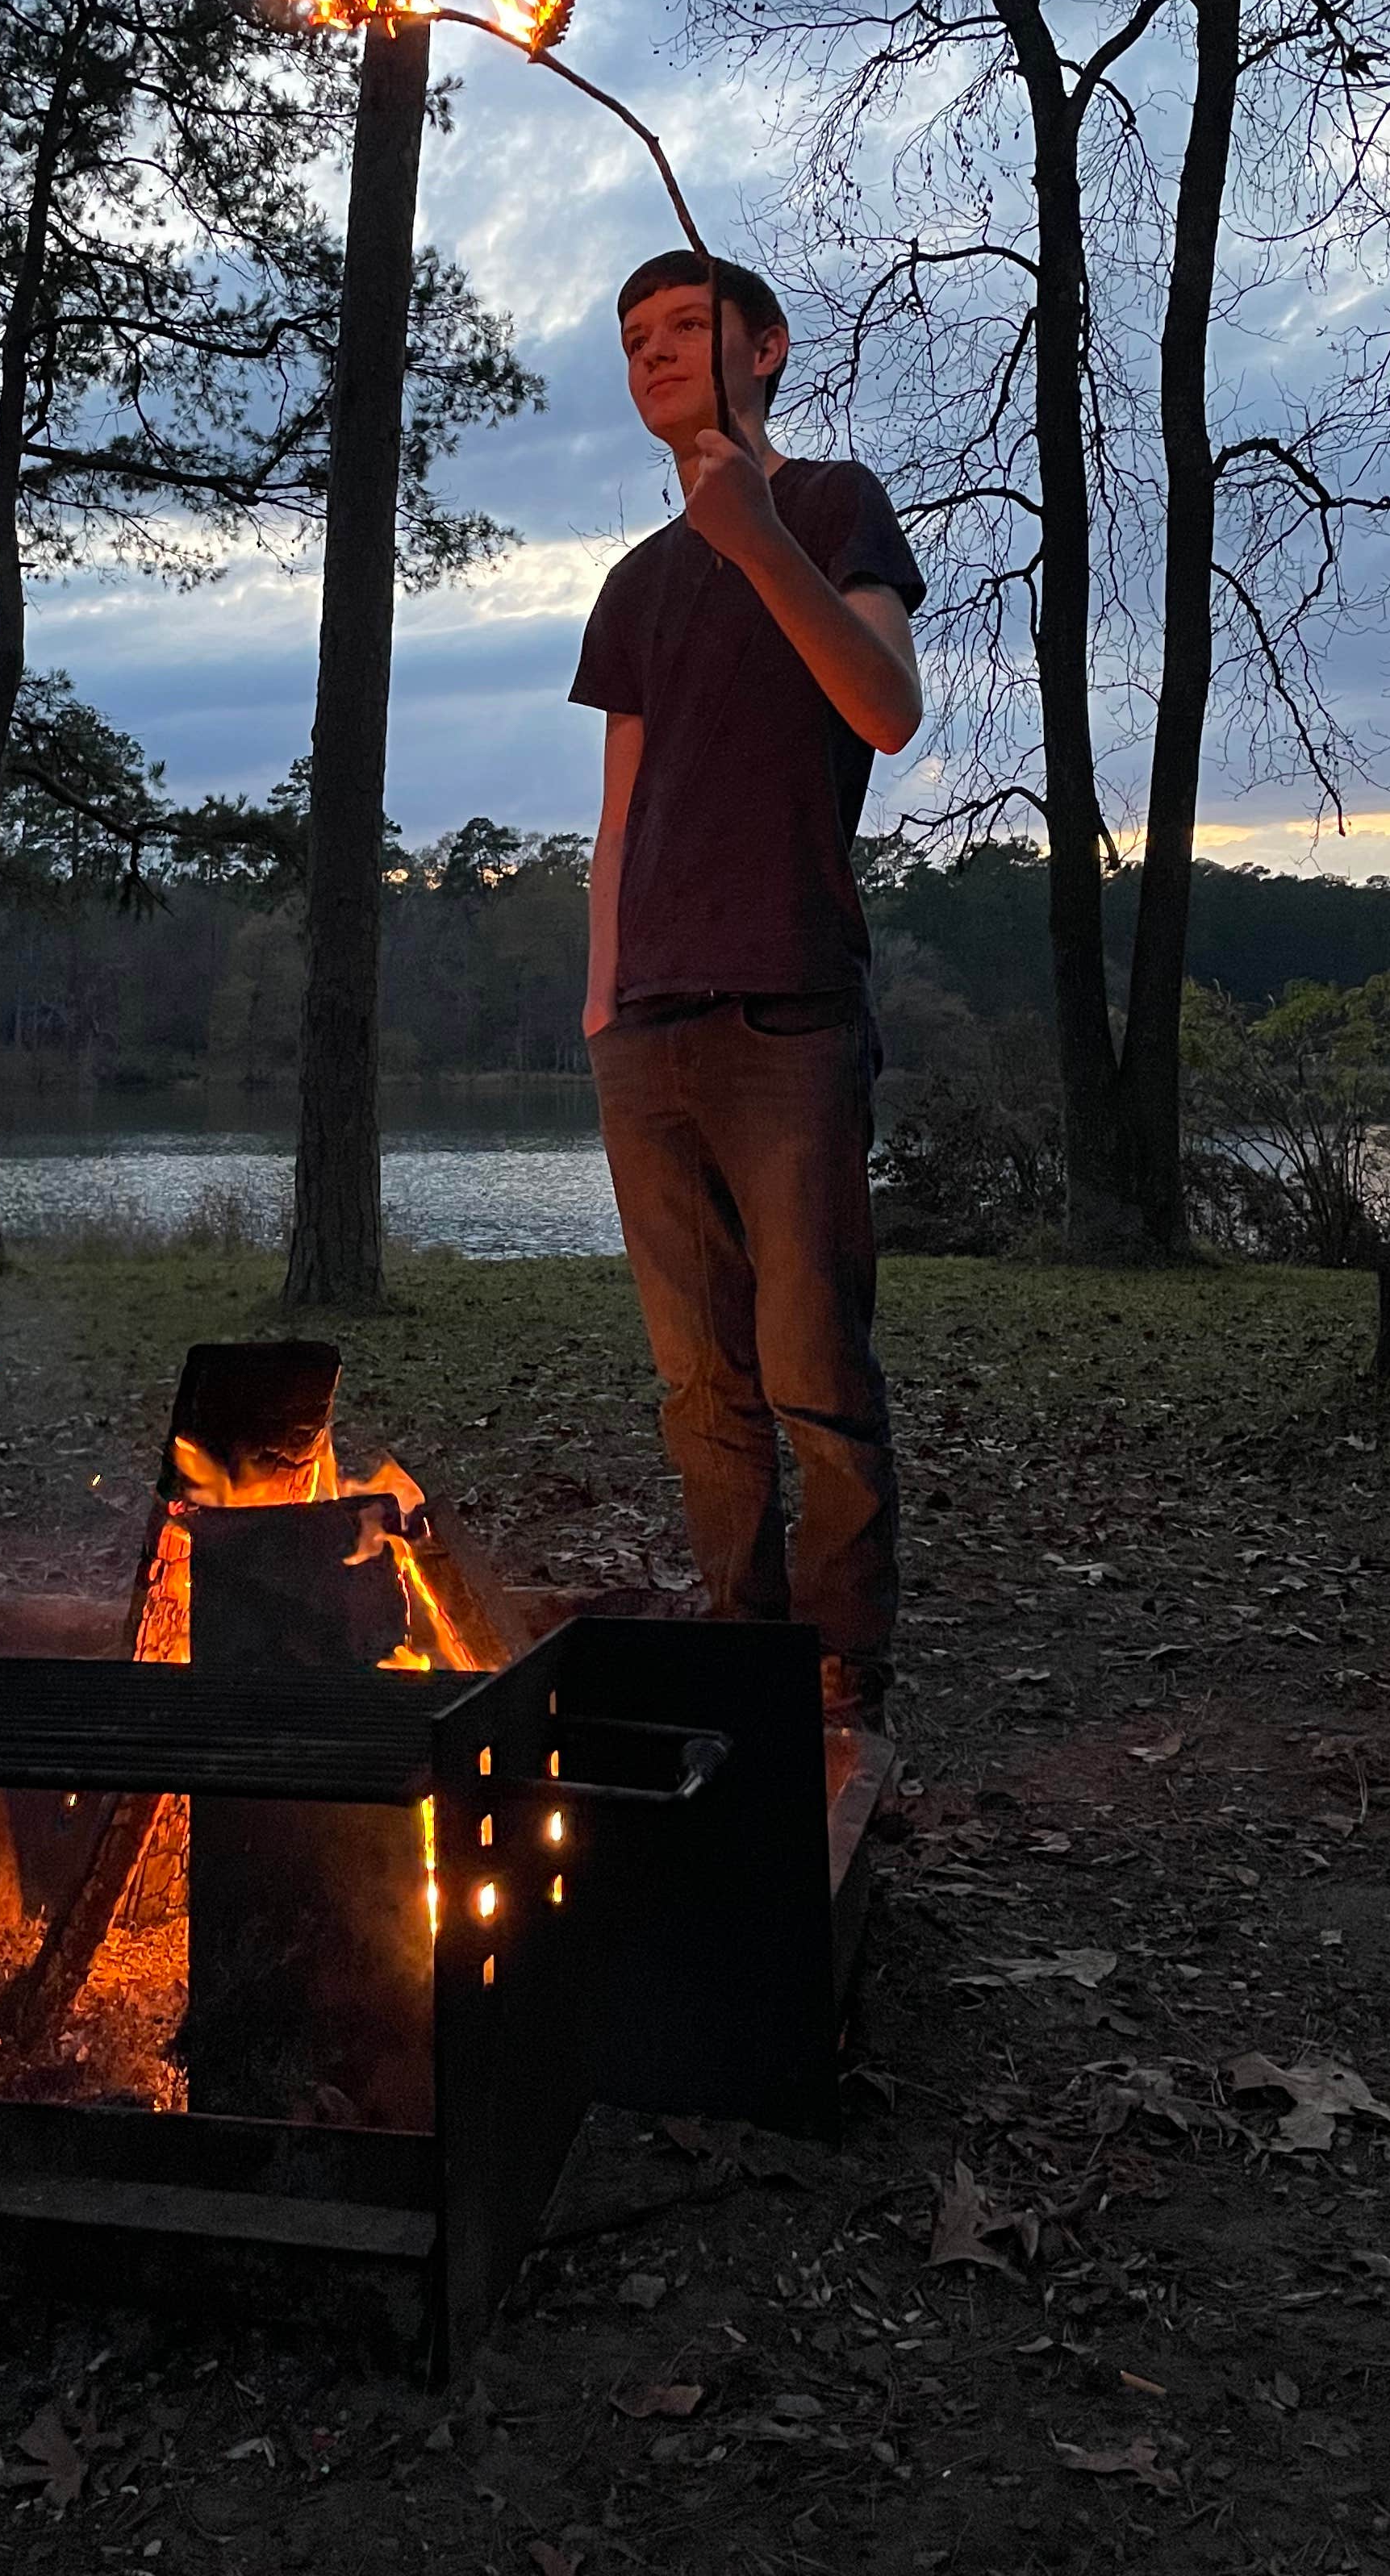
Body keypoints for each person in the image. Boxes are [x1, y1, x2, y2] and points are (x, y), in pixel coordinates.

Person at [570, 252, 925, 1731]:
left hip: (786, 1002)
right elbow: (620, 817)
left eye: (685, 331)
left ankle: (843, 1675)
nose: (653, 354)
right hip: (645, 1024)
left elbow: (887, 712)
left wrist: (759, 536)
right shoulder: (636, 583)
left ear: (764, 349)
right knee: (697, 1380)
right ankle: (742, 1648)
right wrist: (599, 1006)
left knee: (809, 1362)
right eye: (634, 337)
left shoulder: (833, 504)